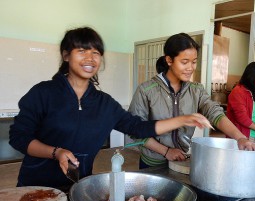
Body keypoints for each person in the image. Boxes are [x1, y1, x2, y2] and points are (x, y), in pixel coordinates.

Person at [9, 27, 213, 188]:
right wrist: (56, 152)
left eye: (96, 52)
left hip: (77, 185)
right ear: (66, 55)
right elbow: (18, 138)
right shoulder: (43, 93)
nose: (90, 58)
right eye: (81, 51)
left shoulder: (104, 103)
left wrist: (183, 119)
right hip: (35, 187)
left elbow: (138, 128)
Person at [128, 33, 255, 169]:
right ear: (169, 60)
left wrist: (240, 137)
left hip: (180, 160)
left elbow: (214, 113)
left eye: (194, 62)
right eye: (184, 62)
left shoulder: (196, 90)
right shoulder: (147, 90)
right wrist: (166, 151)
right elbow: (135, 131)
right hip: (152, 163)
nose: (191, 67)